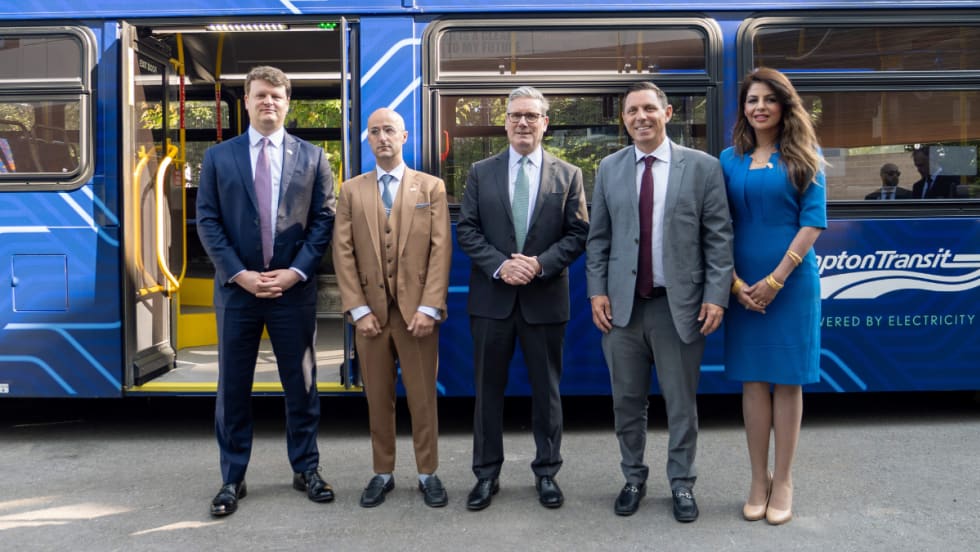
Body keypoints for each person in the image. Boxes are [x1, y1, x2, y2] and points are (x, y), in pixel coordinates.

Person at [585, 81, 733, 521]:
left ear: (668, 114)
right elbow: (599, 240)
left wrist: (716, 296)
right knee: (626, 402)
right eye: (632, 111)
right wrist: (597, 291)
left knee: (681, 402)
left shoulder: (703, 168)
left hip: (679, 307)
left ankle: (682, 484)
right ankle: (633, 477)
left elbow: (719, 239)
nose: (640, 117)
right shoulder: (609, 168)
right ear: (624, 118)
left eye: (649, 108)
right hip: (623, 311)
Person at [196, 65, 337, 517]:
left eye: (276, 96)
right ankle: (232, 478)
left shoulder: (314, 158)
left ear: (288, 101)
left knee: (302, 385)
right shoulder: (219, 157)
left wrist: (295, 272)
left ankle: (306, 469)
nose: (268, 102)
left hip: (293, 291)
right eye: (260, 95)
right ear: (248, 100)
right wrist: (240, 274)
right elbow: (208, 222)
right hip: (238, 292)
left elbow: (323, 222)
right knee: (233, 388)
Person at [457, 86, 589, 511]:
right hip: (492, 300)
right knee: (486, 392)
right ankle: (485, 476)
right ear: (506, 122)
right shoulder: (481, 171)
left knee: (547, 393)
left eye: (532, 116)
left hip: (545, 299)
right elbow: (468, 230)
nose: (523, 123)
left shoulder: (568, 175)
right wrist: (502, 265)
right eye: (515, 115)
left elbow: (578, 233)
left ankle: (547, 473)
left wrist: (538, 264)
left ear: (545, 123)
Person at [721, 67, 828, 526]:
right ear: (743, 109)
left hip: (792, 284)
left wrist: (776, 279)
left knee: (787, 381)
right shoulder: (728, 159)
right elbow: (715, 225)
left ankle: (783, 479)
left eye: (768, 99)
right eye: (751, 100)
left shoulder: (806, 156)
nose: (759, 107)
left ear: (785, 105)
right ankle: (756, 480)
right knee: (752, 382)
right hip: (741, 286)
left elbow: (813, 222)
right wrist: (735, 284)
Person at [332, 108, 452, 508]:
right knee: (377, 398)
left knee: (422, 398)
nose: (382, 137)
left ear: (404, 137)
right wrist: (358, 309)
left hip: (418, 315)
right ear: (368, 140)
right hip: (371, 316)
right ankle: (382, 472)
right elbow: (343, 253)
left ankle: (427, 473)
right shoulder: (351, 190)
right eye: (374, 131)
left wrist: (430, 307)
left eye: (389, 130)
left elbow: (440, 250)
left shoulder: (430, 187)